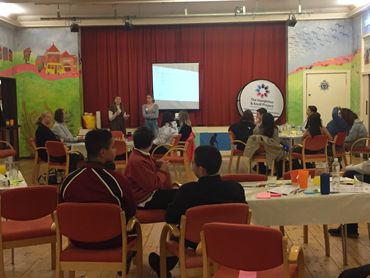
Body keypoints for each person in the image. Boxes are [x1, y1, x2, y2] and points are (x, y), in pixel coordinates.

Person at [149, 145, 246, 277]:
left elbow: (170, 217)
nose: (191, 164)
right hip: (228, 240)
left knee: (179, 230)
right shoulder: (236, 188)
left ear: (201, 169)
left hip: (195, 241)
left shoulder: (187, 191)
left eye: (193, 162)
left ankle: (165, 265)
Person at [60, 129, 136, 249]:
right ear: (102, 152)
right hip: (113, 240)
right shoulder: (118, 180)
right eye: (112, 147)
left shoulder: (68, 181)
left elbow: (63, 211)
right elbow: (131, 211)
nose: (115, 150)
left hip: (77, 240)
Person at [124, 126, 177, 209]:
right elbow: (152, 185)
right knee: (178, 197)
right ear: (150, 143)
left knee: (178, 194)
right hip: (143, 198)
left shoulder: (137, 153)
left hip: (147, 193)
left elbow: (149, 160)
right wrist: (162, 171)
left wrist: (156, 162)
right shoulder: (137, 160)